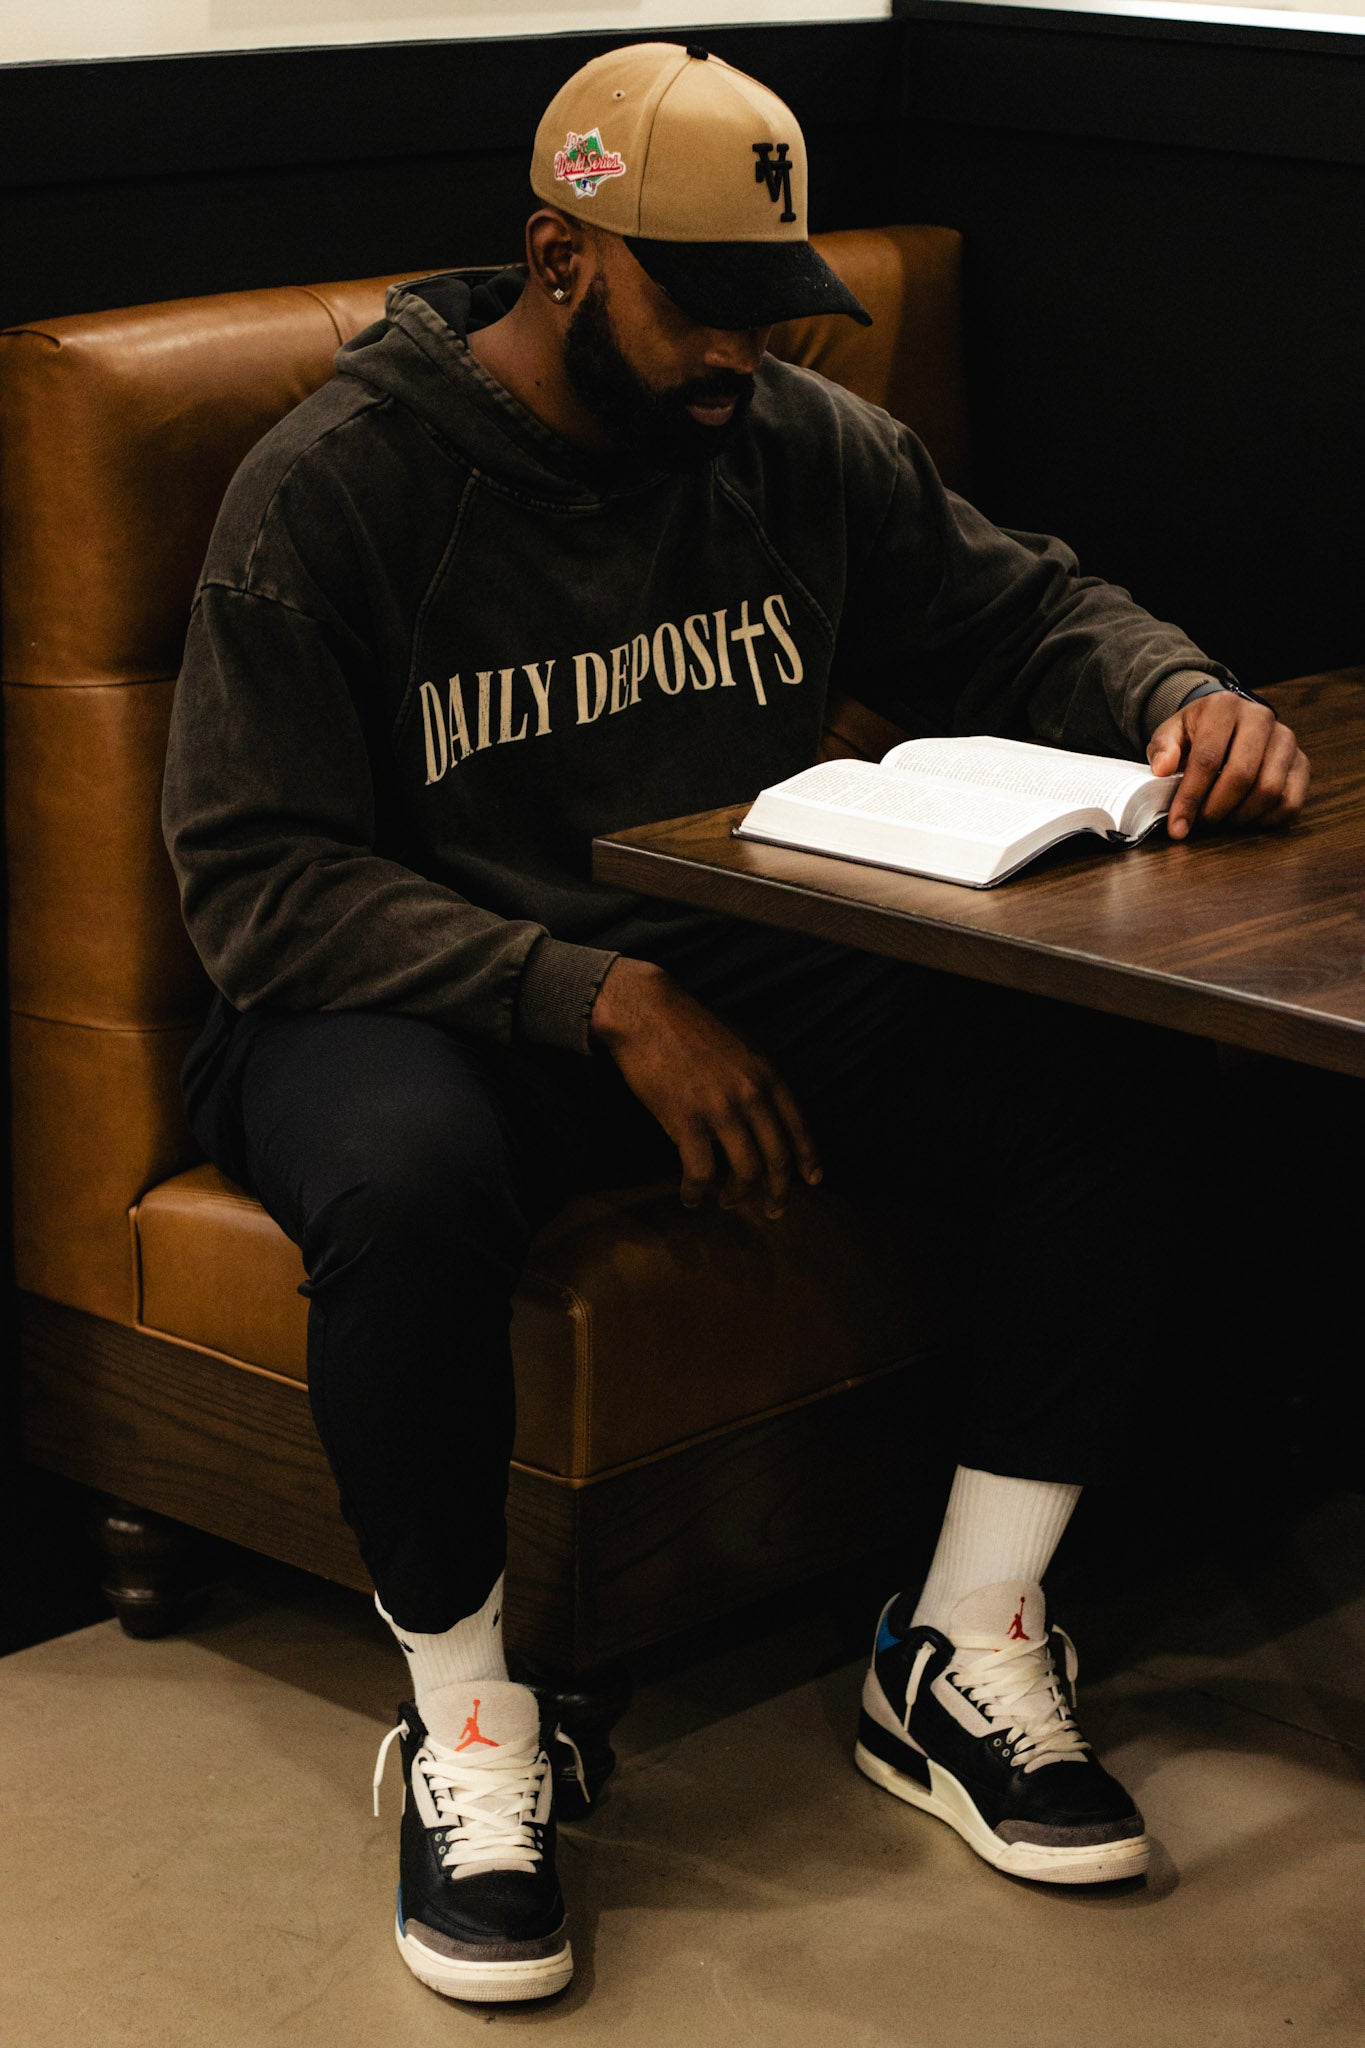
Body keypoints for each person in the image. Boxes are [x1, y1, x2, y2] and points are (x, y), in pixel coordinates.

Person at [162, 41, 1309, 2006]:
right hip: (413, 976)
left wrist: (1172, 688)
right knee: (406, 1179)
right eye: (694, 299)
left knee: (1109, 1060)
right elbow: (257, 878)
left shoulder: (783, 438)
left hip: (709, 952)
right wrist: (589, 993)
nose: (735, 350)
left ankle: (951, 1647)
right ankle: (465, 1731)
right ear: (554, 257)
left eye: (767, 304)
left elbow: (1016, 604)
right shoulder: (338, 488)